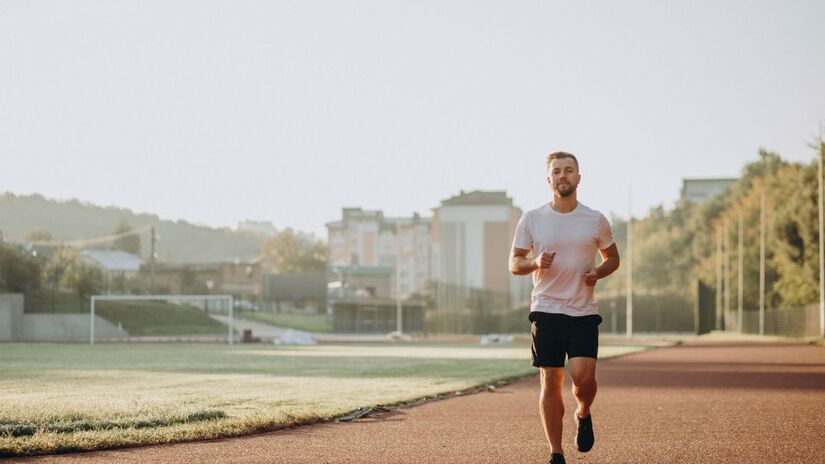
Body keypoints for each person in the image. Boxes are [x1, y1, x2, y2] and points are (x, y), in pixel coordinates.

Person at [508, 151, 620, 464]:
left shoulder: (595, 219)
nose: (562, 176)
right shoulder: (532, 218)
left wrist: (597, 271)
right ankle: (556, 453)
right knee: (551, 380)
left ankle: (583, 412)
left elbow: (613, 258)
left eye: (568, 170)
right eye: (556, 171)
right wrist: (533, 263)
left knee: (583, 380)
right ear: (549, 180)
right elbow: (514, 263)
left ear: (578, 178)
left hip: (583, 312)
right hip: (546, 310)